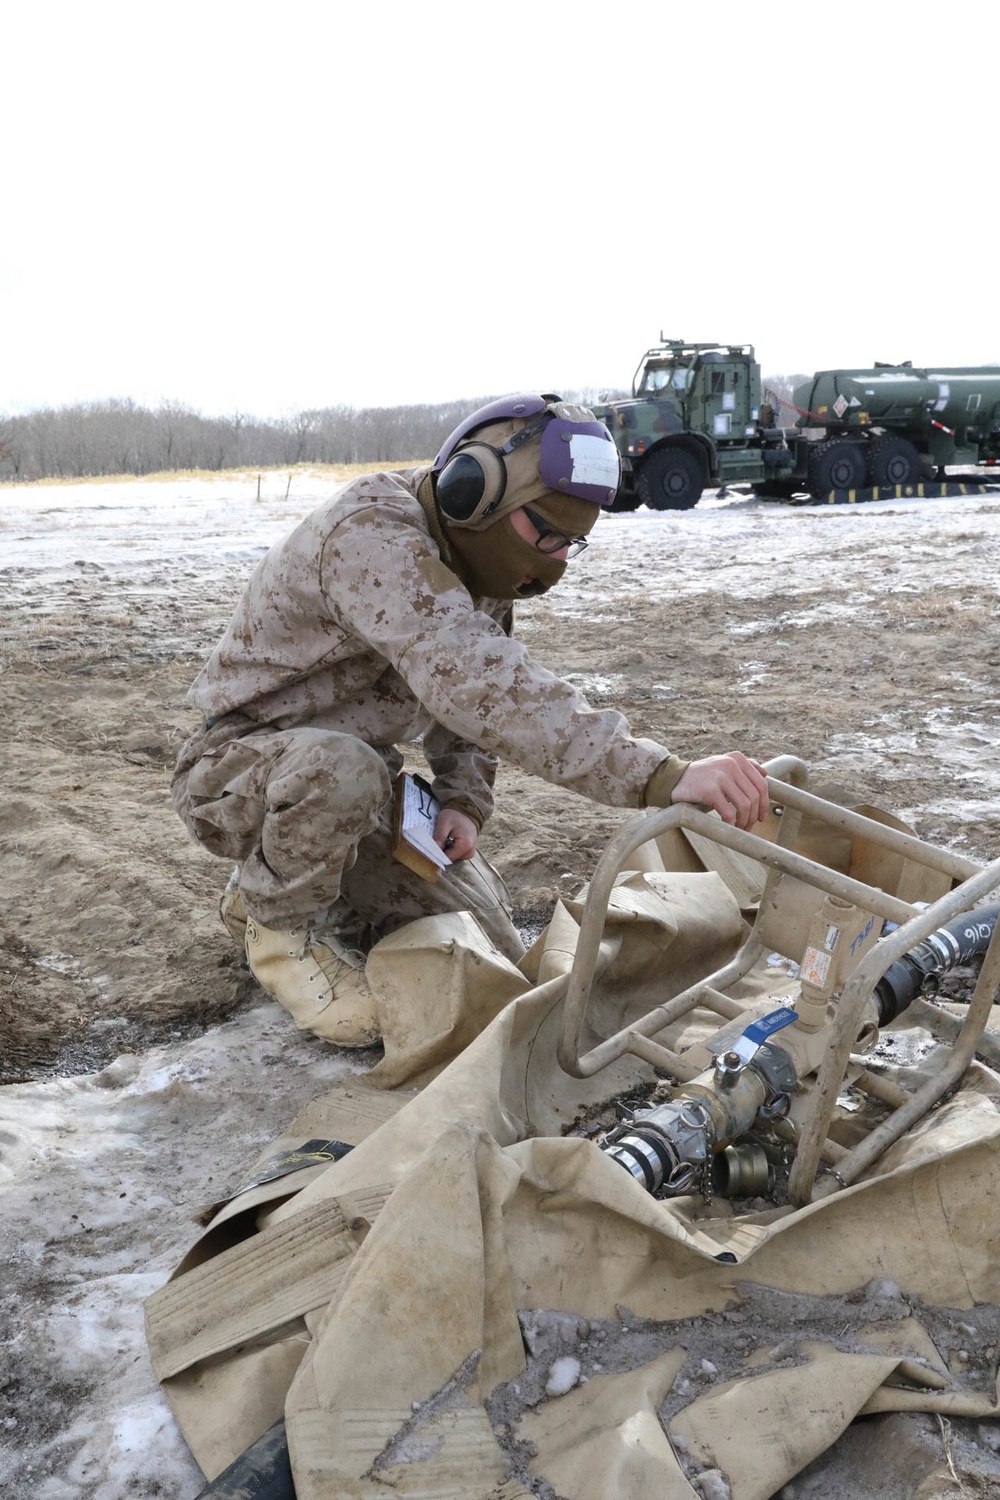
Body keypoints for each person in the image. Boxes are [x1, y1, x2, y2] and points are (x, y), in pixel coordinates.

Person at [172, 394, 769, 1047]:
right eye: (545, 533)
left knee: (490, 946)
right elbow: (483, 685)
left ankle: (277, 879)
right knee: (340, 771)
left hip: (358, 785)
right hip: (239, 771)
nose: (557, 560)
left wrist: (462, 802)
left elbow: (471, 708)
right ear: (471, 491)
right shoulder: (373, 537)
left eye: (573, 543)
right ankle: (277, 928)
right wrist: (661, 776)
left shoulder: (476, 569)